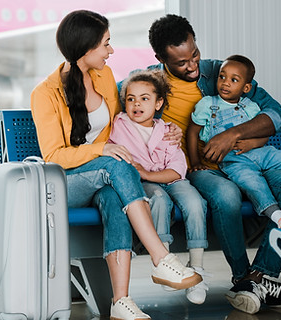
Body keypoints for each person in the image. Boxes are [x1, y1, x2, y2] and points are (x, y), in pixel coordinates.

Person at [30, 10, 202, 320]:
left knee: (113, 198)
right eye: (106, 44)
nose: (111, 51)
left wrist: (169, 128)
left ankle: (120, 302)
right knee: (116, 165)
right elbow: (54, 156)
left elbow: (141, 105)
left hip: (104, 178)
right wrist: (102, 149)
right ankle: (161, 257)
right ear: (87, 47)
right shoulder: (45, 94)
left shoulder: (105, 76)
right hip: (66, 182)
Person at [138, 14, 281, 314]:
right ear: (160, 59)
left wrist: (233, 135)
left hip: (244, 159)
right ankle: (244, 277)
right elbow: (117, 110)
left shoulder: (220, 71)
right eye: (181, 63)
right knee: (227, 196)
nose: (192, 66)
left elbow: (276, 114)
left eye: (195, 55)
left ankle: (256, 278)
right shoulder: (149, 82)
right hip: (197, 169)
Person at [188, 54, 281, 229]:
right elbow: (192, 132)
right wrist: (195, 162)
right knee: (253, 184)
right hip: (234, 161)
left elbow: (264, 132)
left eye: (234, 80)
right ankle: (279, 218)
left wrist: (254, 143)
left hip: (262, 153)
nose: (225, 83)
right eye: (222, 76)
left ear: (246, 87)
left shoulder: (250, 106)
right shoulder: (207, 105)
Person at [110, 69, 210, 304]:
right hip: (143, 184)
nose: (136, 104)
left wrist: (147, 172)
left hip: (169, 178)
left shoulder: (166, 130)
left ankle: (197, 267)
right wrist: (145, 176)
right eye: (131, 99)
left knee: (196, 202)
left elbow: (177, 170)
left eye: (145, 98)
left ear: (159, 103)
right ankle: (165, 263)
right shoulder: (118, 124)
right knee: (159, 200)